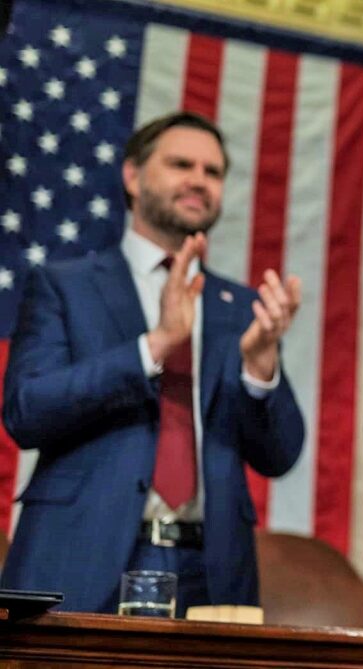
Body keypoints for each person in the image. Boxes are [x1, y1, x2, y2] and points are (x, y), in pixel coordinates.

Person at [1, 112, 305, 616]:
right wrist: (155, 345)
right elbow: (26, 411)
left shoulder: (240, 308)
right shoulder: (65, 285)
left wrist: (259, 368)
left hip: (209, 573)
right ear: (132, 175)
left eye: (212, 171)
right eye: (181, 164)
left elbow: (280, 455)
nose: (199, 180)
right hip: (79, 556)